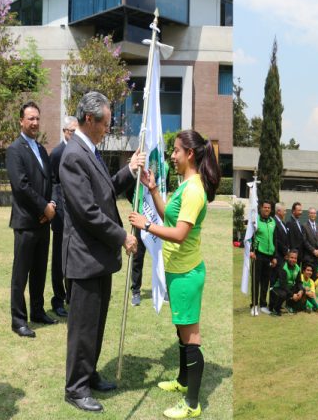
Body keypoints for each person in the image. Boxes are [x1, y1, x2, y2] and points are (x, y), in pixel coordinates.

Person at [61, 92, 143, 412]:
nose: (108, 127)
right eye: (106, 122)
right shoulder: (73, 155)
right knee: (82, 328)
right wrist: (123, 236)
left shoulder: (89, 150)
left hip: (98, 258)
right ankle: (75, 388)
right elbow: (88, 211)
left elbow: (105, 190)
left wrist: (130, 170)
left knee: (95, 324)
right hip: (84, 258)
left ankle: (89, 373)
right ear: (89, 120)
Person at [128, 129, 219, 418]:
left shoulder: (193, 190)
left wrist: (145, 225)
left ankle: (192, 404)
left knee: (191, 336)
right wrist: (154, 190)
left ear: (189, 154)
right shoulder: (187, 185)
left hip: (186, 274)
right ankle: (182, 381)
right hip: (178, 272)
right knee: (181, 330)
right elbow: (171, 215)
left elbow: (179, 233)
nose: (173, 156)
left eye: (176, 151)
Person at [6, 102, 58, 338]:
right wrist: (43, 207)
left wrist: (53, 205)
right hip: (26, 222)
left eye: (37, 118)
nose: (35, 123)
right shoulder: (15, 150)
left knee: (39, 271)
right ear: (21, 121)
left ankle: (37, 311)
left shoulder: (41, 149)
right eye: (30, 119)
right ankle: (18, 320)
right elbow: (21, 186)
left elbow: (52, 182)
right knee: (21, 273)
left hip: (43, 221)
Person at [48, 115, 78, 317]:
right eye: (72, 131)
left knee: (74, 256)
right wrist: (54, 204)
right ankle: (58, 299)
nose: (75, 134)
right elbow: (52, 182)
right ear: (65, 132)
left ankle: (72, 296)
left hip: (77, 213)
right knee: (59, 258)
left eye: (77, 131)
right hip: (60, 214)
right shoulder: (57, 153)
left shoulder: (80, 150)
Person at [249, 201, 276, 315]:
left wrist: (274, 257)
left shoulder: (272, 221)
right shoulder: (256, 221)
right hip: (258, 254)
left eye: (268, 208)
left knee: (266, 281)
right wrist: (251, 251)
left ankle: (263, 304)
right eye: (265, 207)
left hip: (269, 256)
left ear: (270, 209)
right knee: (256, 281)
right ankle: (254, 305)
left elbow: (274, 239)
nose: (266, 209)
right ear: (261, 208)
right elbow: (250, 236)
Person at [302, 207, 318, 272]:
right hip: (308, 256)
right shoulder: (304, 226)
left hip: (317, 257)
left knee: (314, 277)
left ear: (316, 215)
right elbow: (304, 241)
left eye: (314, 213)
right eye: (311, 213)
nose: (313, 215)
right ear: (308, 214)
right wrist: (313, 251)